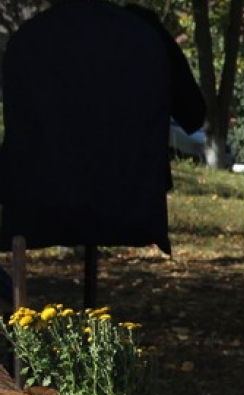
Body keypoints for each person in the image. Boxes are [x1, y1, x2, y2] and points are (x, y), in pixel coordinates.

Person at [0, 0, 205, 256]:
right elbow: (193, 114)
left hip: (41, 206)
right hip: (131, 205)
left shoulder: (29, 39)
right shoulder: (143, 32)